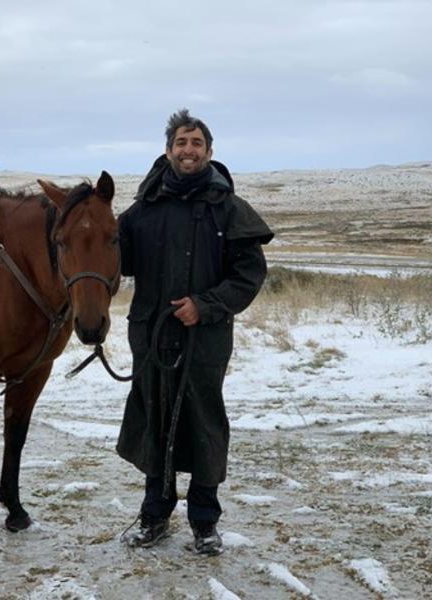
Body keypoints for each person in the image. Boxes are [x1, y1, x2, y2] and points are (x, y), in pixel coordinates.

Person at [117, 109, 273, 555]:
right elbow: (115, 257)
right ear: (168, 151)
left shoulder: (227, 206)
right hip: (150, 335)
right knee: (156, 418)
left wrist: (205, 306)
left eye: (196, 143)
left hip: (205, 338)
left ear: (208, 152)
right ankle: (154, 515)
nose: (188, 150)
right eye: (181, 143)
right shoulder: (143, 209)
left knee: (203, 420)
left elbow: (248, 273)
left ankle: (204, 521)